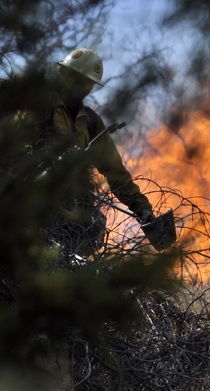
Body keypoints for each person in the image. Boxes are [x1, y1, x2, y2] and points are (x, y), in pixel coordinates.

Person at [25, 48, 174, 258]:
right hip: (31, 197)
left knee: (92, 226)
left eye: (87, 83)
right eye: (77, 79)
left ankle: (66, 271)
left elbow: (115, 171)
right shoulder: (37, 105)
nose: (82, 87)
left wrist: (143, 211)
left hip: (71, 202)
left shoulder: (91, 122)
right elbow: (9, 145)